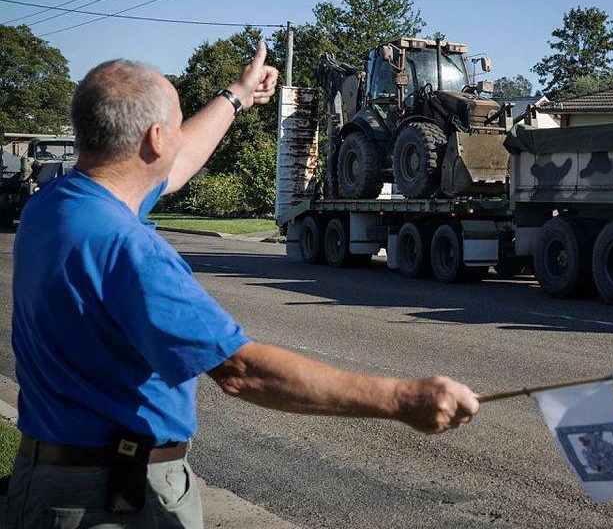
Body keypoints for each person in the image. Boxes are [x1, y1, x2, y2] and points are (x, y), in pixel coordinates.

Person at [3, 42, 480, 528]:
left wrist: (237, 95)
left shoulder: (56, 205)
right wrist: (401, 400)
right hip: (108, 501)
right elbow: (241, 372)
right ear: (153, 139)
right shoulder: (129, 250)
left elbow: (174, 162)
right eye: (174, 125)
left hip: (48, 478)